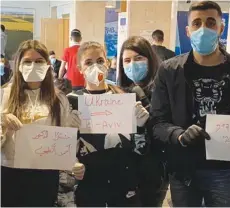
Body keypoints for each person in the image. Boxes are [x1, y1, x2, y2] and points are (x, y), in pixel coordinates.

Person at [150, 1, 230, 207]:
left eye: (211, 23)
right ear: (187, 30)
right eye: (196, 23)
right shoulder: (169, 71)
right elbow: (157, 122)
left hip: (227, 171)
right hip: (184, 170)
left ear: (221, 27)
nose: (203, 29)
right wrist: (180, 135)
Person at [0, 40, 85, 207]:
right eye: (27, 62)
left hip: (45, 175)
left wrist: (72, 163)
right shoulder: (4, 95)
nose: (33, 66)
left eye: (39, 61)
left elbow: (64, 138)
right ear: (18, 65)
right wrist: (1, 122)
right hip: (9, 173)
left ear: (47, 65)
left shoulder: (59, 99)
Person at [67, 41, 149, 207]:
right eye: (88, 63)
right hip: (90, 185)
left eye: (99, 61)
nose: (95, 66)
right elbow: (63, 149)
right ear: (80, 68)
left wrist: (140, 127)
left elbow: (140, 150)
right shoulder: (71, 101)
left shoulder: (124, 98)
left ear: (108, 64)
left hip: (124, 185)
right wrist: (72, 163)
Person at [117, 36, 168, 207]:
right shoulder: (119, 94)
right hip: (126, 172)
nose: (133, 64)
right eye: (127, 60)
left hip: (153, 172)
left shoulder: (163, 91)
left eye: (139, 58)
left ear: (150, 59)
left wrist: (146, 123)